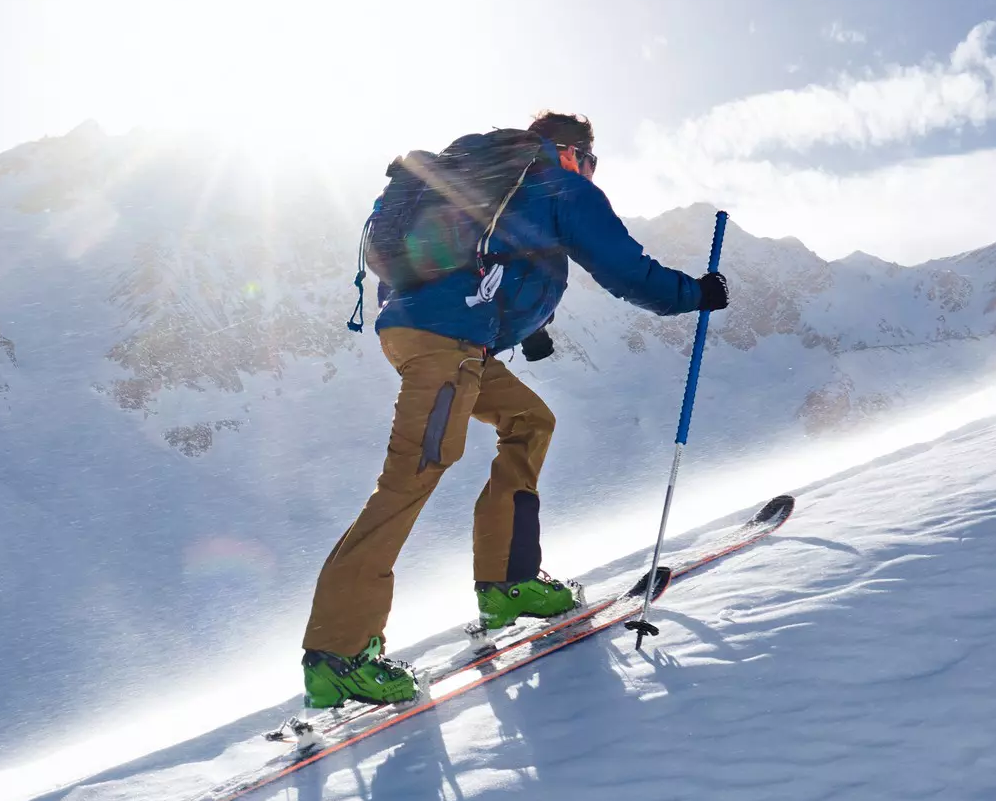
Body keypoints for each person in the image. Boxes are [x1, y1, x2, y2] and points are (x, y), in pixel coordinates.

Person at [300, 111, 729, 708]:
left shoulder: (493, 180)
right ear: (571, 150)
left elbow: (485, 258)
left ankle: (508, 583)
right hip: (445, 343)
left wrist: (530, 328)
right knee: (411, 477)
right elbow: (624, 270)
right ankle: (337, 654)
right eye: (591, 160)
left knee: (530, 421)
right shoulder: (557, 182)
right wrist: (695, 294)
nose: (591, 170)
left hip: (444, 335)